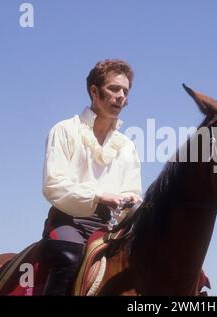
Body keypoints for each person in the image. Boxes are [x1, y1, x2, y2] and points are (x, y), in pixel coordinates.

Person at [41, 59, 142, 296]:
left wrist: (130, 200)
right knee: (71, 255)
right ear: (94, 91)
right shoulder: (64, 130)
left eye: (125, 91)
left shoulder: (127, 145)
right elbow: (53, 185)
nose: (121, 96)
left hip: (111, 226)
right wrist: (101, 196)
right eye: (114, 89)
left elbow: (134, 192)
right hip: (69, 221)